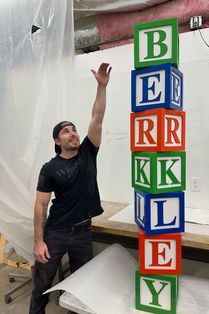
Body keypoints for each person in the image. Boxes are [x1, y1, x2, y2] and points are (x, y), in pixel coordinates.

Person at [29, 63, 112, 314]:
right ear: (57, 141)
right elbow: (41, 205)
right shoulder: (49, 168)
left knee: (81, 285)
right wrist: (38, 241)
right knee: (42, 282)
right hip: (57, 232)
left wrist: (101, 86)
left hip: (83, 232)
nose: (73, 133)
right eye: (66, 131)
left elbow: (97, 117)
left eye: (74, 129)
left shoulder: (88, 151)